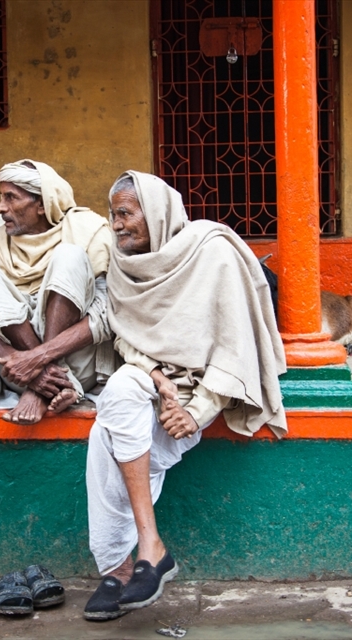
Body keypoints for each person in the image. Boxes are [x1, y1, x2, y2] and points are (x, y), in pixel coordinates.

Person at [82, 171, 287, 621]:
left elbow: (236, 345)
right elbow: (125, 335)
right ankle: (150, 547)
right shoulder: (123, 263)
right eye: (111, 214)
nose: (115, 225)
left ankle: (117, 569)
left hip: (205, 385)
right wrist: (155, 374)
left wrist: (196, 412)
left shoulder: (212, 251)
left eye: (125, 214)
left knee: (104, 439)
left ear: (154, 212)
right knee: (118, 391)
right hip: (151, 375)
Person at [0, 160, 115, 424]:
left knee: (69, 255)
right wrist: (31, 371)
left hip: (77, 364)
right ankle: (48, 386)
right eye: (1, 197)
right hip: (19, 372)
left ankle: (45, 387)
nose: (0, 208)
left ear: (42, 204)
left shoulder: (88, 231)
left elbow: (106, 313)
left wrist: (38, 359)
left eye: (11, 198)